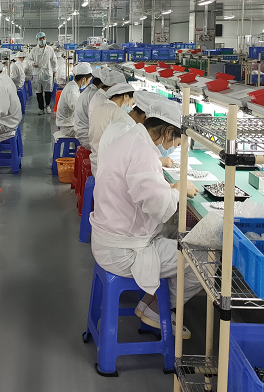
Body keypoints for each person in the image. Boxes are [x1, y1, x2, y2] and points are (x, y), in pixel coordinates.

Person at [90, 96, 201, 338]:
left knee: (178, 231)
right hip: (124, 251)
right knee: (201, 257)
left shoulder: (130, 138)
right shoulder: (143, 152)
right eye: (176, 142)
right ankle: (158, 309)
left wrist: (170, 189)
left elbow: (142, 191)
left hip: (109, 236)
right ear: (168, 131)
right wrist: (179, 189)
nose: (173, 148)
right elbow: (159, 208)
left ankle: (147, 302)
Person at [97, 90, 176, 173]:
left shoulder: (123, 123)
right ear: (146, 118)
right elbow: (131, 161)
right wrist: (160, 161)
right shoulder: (126, 131)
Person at [88, 81, 135, 174]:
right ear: (125, 96)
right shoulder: (118, 113)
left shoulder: (100, 107)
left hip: (95, 161)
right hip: (106, 168)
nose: (130, 107)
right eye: (131, 103)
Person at [55, 62, 92, 138]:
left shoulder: (73, 86)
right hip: (68, 128)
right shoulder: (72, 90)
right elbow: (79, 110)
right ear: (83, 79)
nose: (88, 83)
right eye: (89, 80)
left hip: (71, 123)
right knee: (95, 132)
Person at [26, 32, 58, 114]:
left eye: (44, 38)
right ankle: (41, 108)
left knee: (48, 91)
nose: (42, 40)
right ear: (37, 40)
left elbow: (54, 61)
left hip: (47, 73)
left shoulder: (50, 49)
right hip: (37, 73)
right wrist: (32, 63)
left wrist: (54, 71)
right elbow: (28, 60)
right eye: (40, 39)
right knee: (38, 92)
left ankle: (47, 106)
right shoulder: (34, 50)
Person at [73, 67, 103, 150]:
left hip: (82, 130)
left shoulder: (91, 91)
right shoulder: (94, 96)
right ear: (102, 84)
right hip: (86, 137)